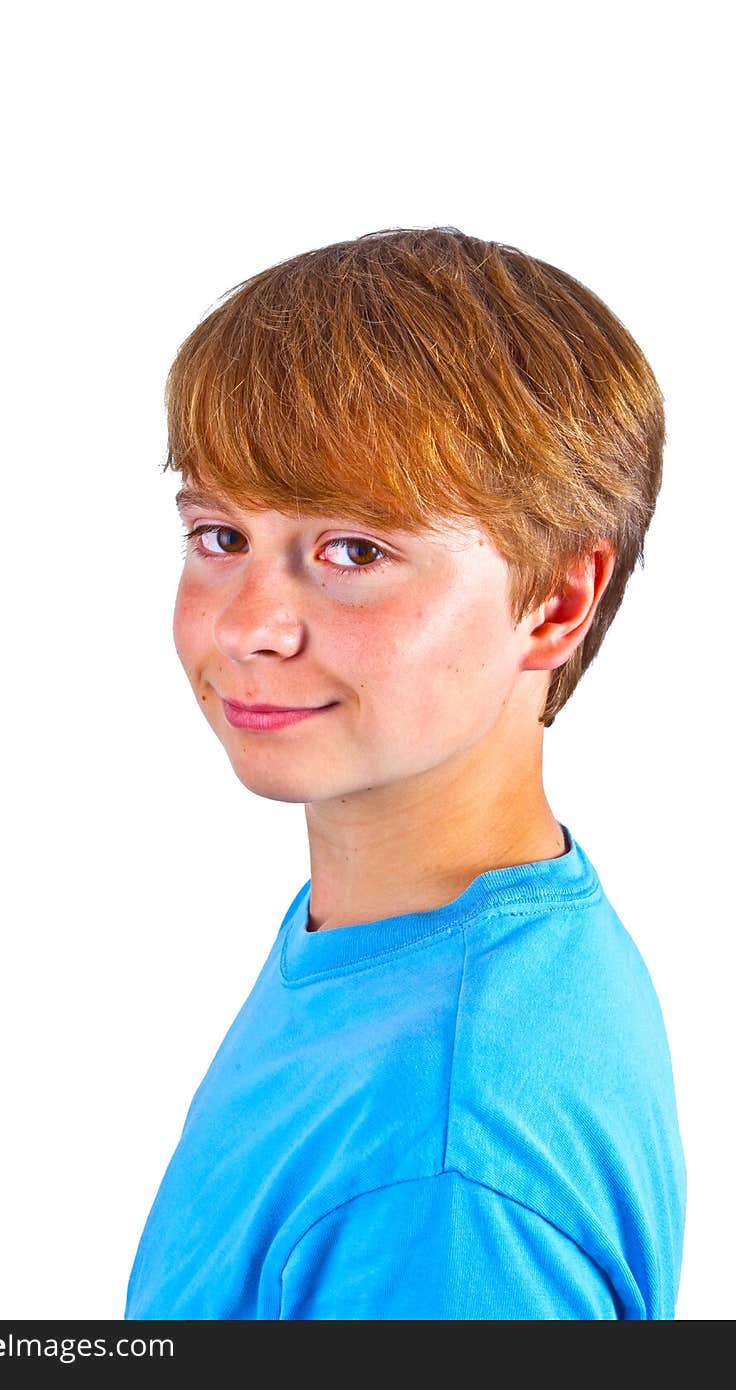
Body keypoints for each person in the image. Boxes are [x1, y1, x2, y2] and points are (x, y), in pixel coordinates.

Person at [124, 227, 686, 1320]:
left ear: (555, 603)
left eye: (354, 552)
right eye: (220, 534)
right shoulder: (410, 937)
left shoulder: (441, 1168)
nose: (249, 627)